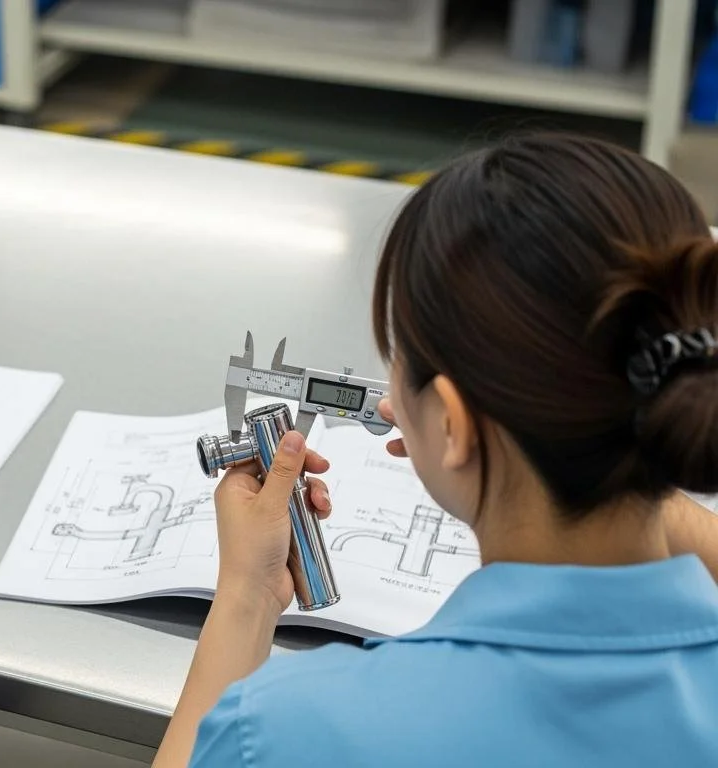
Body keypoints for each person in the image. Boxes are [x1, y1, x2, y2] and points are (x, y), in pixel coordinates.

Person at [153, 133, 718, 768]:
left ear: (451, 424)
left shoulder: (290, 731)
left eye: (398, 363)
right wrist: (620, 459)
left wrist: (245, 598)